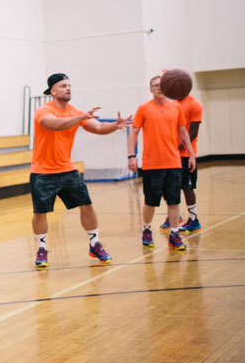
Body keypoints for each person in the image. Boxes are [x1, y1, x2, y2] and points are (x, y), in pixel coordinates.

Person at [30, 74, 132, 269]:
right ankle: (41, 249)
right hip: (42, 171)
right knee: (40, 212)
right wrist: (80, 117)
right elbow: (55, 125)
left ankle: (94, 244)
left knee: (87, 205)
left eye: (69, 85)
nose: (68, 89)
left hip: (68, 169)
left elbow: (99, 127)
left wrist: (115, 125)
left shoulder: (76, 112)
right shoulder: (43, 111)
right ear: (53, 90)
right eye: (63, 86)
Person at [128, 76, 196, 251]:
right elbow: (134, 132)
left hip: (173, 162)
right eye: (155, 85)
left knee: (174, 201)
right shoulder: (143, 109)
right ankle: (146, 229)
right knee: (150, 201)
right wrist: (131, 156)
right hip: (152, 164)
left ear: (167, 88)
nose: (159, 88)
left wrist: (191, 154)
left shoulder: (176, 108)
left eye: (161, 85)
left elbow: (183, 132)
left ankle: (174, 235)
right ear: (150, 89)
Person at [158, 93, 203, 233]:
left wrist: (179, 148)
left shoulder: (194, 104)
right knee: (167, 187)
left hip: (185, 154)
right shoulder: (173, 105)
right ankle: (174, 216)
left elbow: (193, 132)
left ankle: (194, 219)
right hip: (171, 154)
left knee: (187, 187)